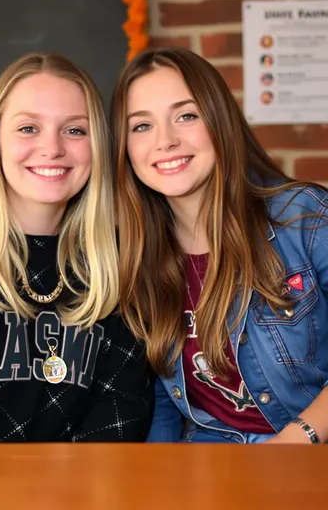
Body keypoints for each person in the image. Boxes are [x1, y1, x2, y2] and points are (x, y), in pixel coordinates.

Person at [0, 52, 153, 443]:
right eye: (28, 128)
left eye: (75, 130)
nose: (52, 148)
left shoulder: (119, 262)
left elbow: (120, 421)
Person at [110, 46, 328, 444]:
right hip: (212, 458)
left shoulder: (304, 217)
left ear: (220, 121)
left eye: (186, 115)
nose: (166, 141)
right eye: (141, 126)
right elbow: (157, 397)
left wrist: (298, 440)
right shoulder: (135, 255)